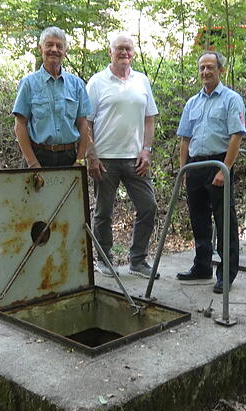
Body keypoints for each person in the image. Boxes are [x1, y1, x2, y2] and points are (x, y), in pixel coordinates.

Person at [85, 34, 159, 279]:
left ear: (134, 53)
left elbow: (149, 118)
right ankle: (104, 260)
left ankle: (137, 260)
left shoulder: (142, 81)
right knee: (103, 212)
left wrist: (146, 149)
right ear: (110, 52)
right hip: (105, 158)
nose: (124, 53)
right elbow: (86, 122)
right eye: (119, 49)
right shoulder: (97, 83)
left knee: (148, 207)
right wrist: (91, 155)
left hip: (135, 158)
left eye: (128, 49)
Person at [175, 51, 246, 294]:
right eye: (202, 68)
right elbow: (185, 139)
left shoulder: (231, 99)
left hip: (218, 164)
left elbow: (236, 136)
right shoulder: (192, 103)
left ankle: (226, 274)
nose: (205, 72)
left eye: (210, 68)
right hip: (195, 166)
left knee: (224, 220)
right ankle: (202, 266)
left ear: (220, 70)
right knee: (199, 219)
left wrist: (225, 168)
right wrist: (184, 169)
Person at [12, 27, 92, 167]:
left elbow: (83, 124)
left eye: (59, 46)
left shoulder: (77, 84)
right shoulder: (28, 84)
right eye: (49, 45)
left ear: (64, 52)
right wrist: (32, 163)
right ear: (40, 48)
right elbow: (20, 125)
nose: (54, 49)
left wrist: (80, 160)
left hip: (69, 158)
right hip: (38, 156)